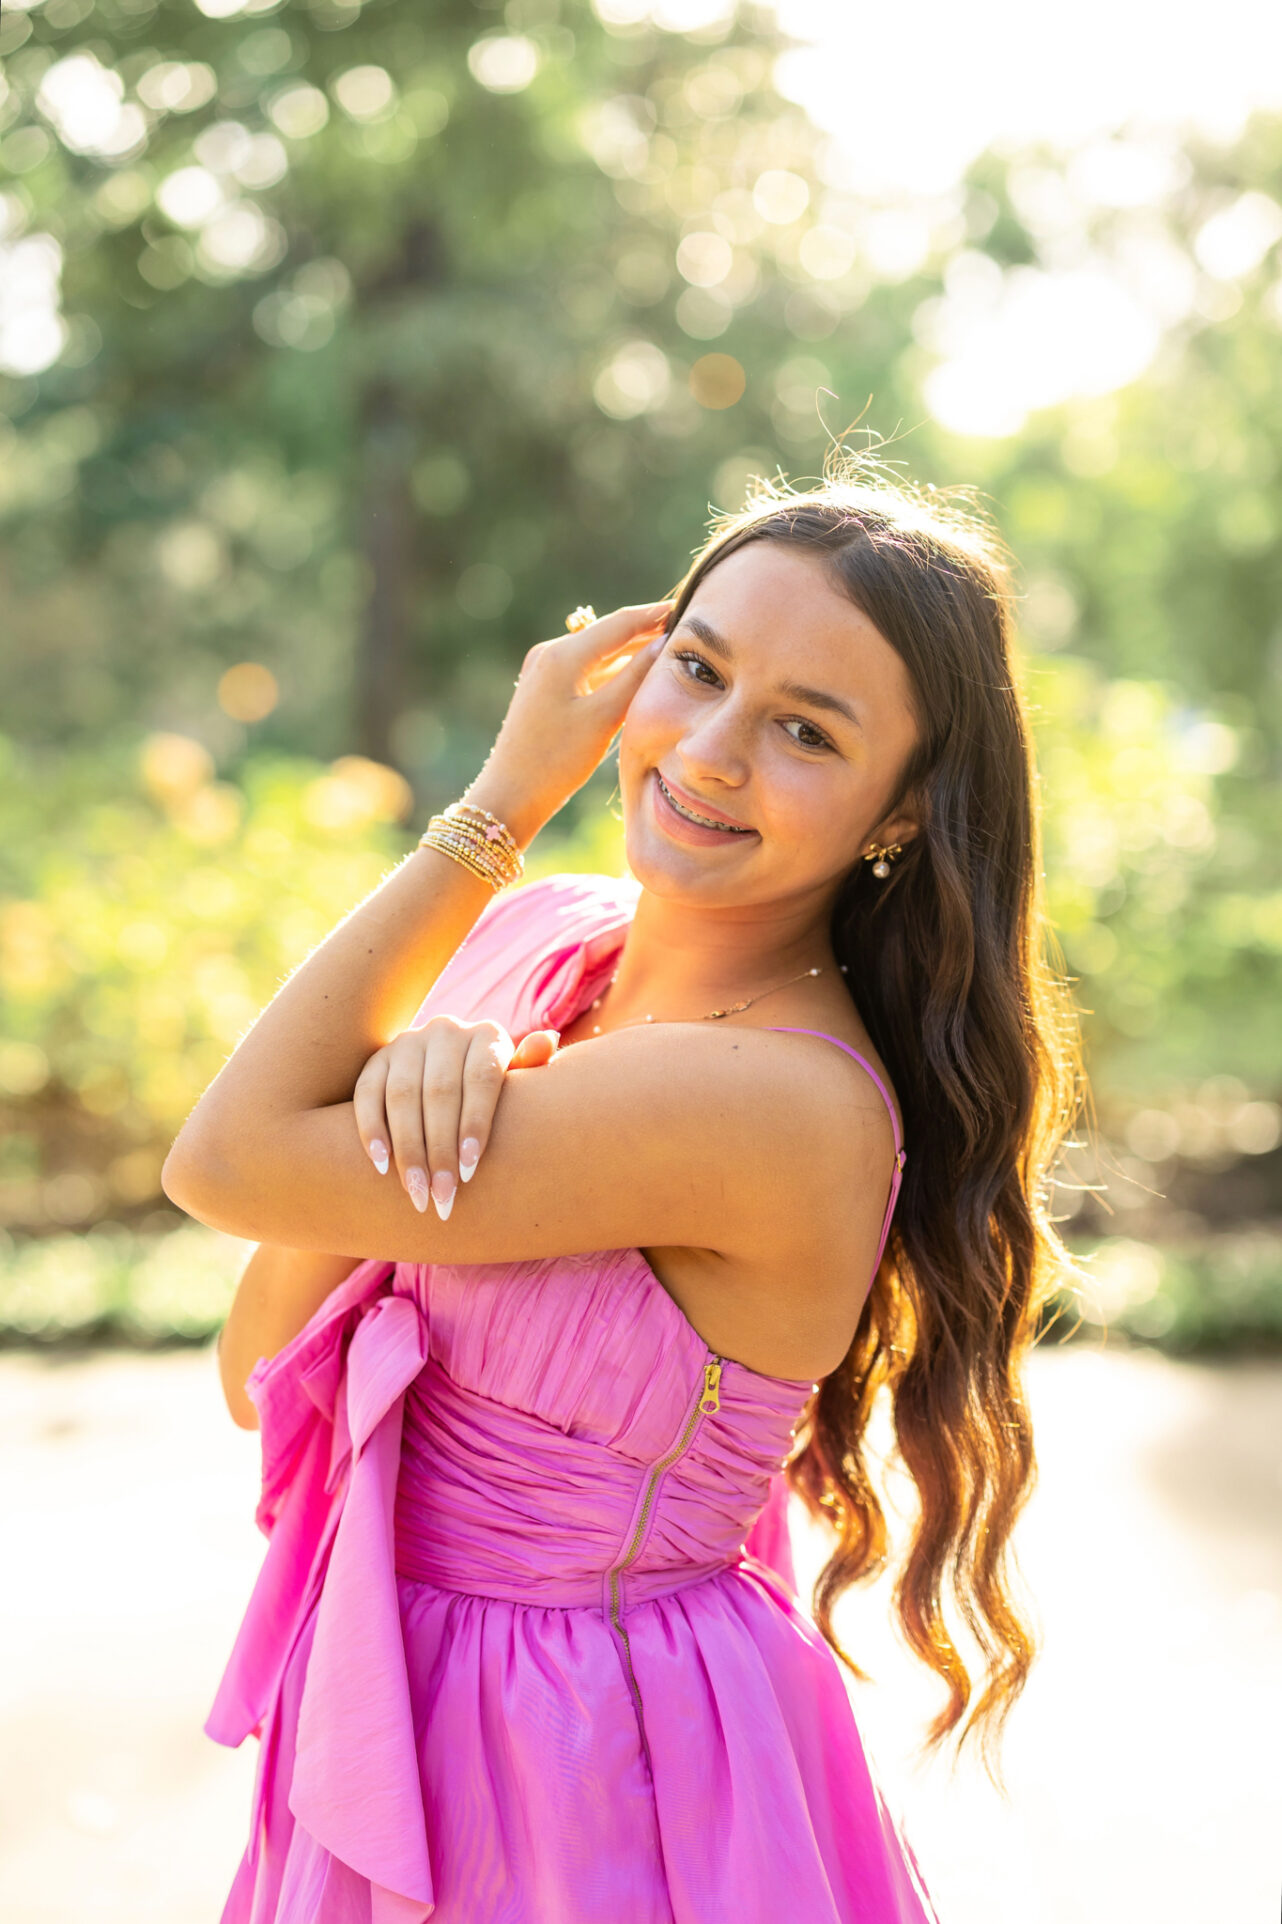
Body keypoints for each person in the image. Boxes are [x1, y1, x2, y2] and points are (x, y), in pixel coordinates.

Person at [164, 457, 1081, 1923]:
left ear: (900, 810)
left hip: (580, 1753)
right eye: (698, 671)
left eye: (802, 731)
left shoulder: (768, 1100)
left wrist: (499, 800)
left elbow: (219, 1162)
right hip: (391, 1693)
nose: (710, 753)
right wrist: (404, 1075)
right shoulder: (536, 946)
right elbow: (257, 1372)